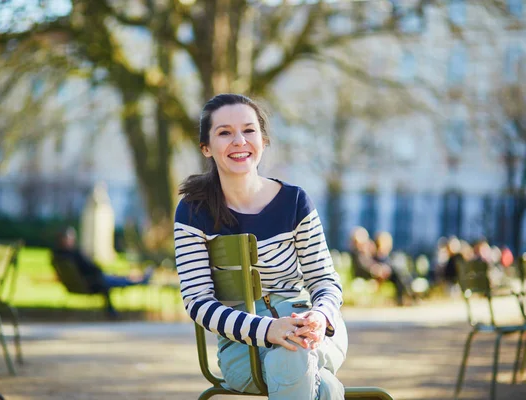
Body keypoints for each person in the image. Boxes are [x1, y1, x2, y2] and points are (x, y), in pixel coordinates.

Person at [174, 94, 347, 400]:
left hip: (313, 331)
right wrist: (267, 330)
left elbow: (325, 281)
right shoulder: (193, 212)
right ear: (206, 147)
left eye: (249, 130)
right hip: (243, 348)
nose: (239, 140)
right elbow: (198, 302)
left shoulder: (294, 202)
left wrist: (320, 316)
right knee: (317, 380)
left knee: (293, 349)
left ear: (263, 141)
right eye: (225, 132)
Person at [52, 226, 153, 318]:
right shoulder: (73, 254)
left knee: (114, 279)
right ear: (63, 239)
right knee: (116, 280)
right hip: (92, 283)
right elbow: (93, 268)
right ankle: (142, 280)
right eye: (70, 238)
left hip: (82, 284)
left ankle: (140, 280)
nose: (72, 240)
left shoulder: (57, 256)